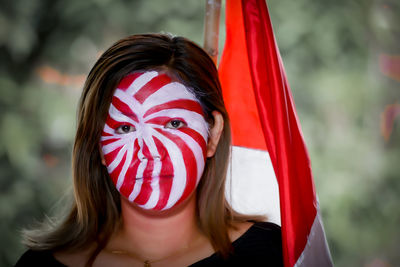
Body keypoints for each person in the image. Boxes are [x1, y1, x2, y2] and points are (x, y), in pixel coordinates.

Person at [16, 34, 283, 267]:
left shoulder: (271, 254)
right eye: (124, 129)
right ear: (98, 146)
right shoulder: (41, 265)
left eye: (173, 123)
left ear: (212, 135)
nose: (151, 151)